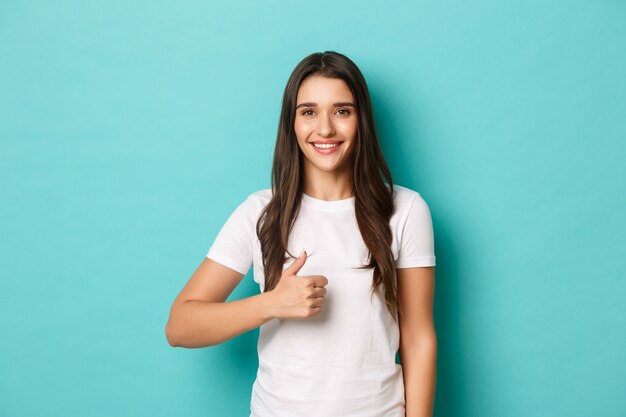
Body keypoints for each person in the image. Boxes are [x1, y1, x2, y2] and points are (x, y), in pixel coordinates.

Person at [165, 51, 437, 417]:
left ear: (362, 120)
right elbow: (180, 327)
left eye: (342, 111)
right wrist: (272, 304)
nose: (325, 129)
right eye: (308, 111)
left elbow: (418, 338)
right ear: (291, 123)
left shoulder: (405, 210)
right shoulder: (260, 213)